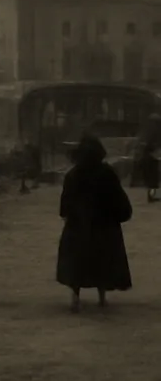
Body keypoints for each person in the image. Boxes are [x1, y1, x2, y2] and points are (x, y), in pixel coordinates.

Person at [56, 133, 132, 312]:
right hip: (104, 228)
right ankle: (102, 297)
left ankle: (75, 297)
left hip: (78, 227)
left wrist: (69, 215)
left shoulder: (73, 175)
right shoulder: (107, 174)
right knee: (103, 262)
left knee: (76, 263)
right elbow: (120, 201)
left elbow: (65, 204)